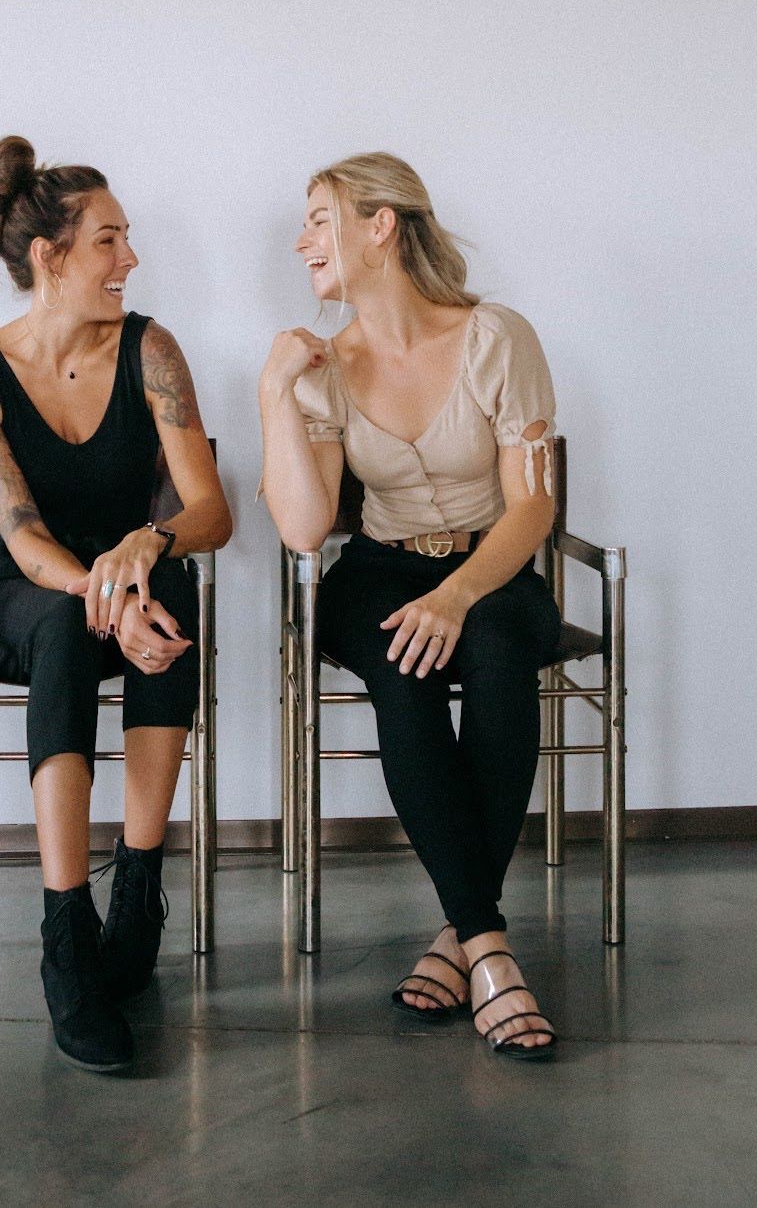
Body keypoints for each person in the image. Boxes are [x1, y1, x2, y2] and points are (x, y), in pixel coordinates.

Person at [259, 151, 561, 1061]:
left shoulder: (496, 337)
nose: (302, 239)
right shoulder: (323, 365)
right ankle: (492, 952)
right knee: (404, 667)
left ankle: (458, 937)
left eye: (320, 218)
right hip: (379, 572)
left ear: (379, 225)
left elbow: (533, 505)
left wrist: (461, 592)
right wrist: (276, 392)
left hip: (493, 564)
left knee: (505, 661)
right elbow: (307, 529)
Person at [0, 137, 231, 1073]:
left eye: (127, 240)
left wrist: (150, 543)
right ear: (50, 256)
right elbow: (23, 535)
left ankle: (138, 886)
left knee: (176, 583)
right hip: (14, 593)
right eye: (109, 240)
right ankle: (68, 930)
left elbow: (210, 508)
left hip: (126, 580)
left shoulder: (152, 349)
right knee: (71, 617)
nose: (130, 260)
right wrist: (99, 587)